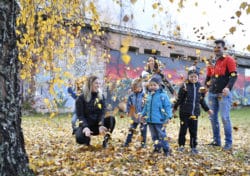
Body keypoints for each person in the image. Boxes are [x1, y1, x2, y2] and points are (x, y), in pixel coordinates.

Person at [205, 39, 237, 150]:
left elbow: (234, 76)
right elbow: (208, 77)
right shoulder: (211, 61)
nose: (216, 49)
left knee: (224, 118)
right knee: (212, 118)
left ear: (223, 48)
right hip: (212, 94)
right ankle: (216, 141)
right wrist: (205, 86)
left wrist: (228, 88)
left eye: (219, 47)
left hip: (223, 94)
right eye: (215, 47)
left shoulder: (229, 59)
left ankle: (228, 143)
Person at [173, 69, 213, 154]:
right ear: (188, 77)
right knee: (183, 130)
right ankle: (181, 146)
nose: (193, 78)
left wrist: (207, 109)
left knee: (193, 131)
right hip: (184, 113)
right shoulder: (184, 86)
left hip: (195, 114)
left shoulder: (200, 88)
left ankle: (193, 147)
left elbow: (201, 101)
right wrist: (175, 107)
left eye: (195, 76)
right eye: (191, 76)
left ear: (198, 77)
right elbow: (179, 99)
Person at [75, 75, 116, 148]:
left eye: (99, 83)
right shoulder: (80, 98)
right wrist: (85, 127)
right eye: (96, 83)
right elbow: (80, 116)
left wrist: (101, 125)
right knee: (79, 138)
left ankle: (106, 140)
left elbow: (102, 112)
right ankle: (87, 140)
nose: (98, 85)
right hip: (87, 125)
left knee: (111, 119)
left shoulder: (101, 96)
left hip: (97, 125)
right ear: (90, 84)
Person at [140, 77, 172, 156]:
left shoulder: (163, 95)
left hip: (160, 120)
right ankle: (157, 148)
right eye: (151, 85)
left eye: (154, 85)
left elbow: (167, 106)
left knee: (162, 135)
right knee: (154, 136)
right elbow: (146, 107)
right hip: (150, 120)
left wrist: (168, 117)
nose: (152, 87)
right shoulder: (149, 96)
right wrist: (142, 114)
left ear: (159, 85)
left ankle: (166, 149)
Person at [123, 78, 147, 148]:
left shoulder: (144, 95)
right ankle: (127, 142)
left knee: (143, 131)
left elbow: (146, 105)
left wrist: (144, 114)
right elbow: (128, 104)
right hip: (134, 116)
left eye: (135, 88)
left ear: (140, 88)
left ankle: (143, 144)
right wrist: (128, 111)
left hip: (142, 117)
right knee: (131, 129)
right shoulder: (131, 96)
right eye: (133, 88)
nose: (134, 90)